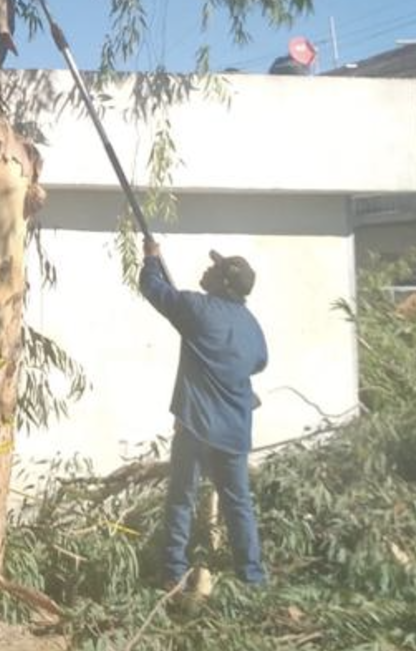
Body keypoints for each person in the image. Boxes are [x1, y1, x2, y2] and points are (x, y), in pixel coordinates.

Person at [139, 238, 270, 587]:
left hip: (196, 426)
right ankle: (252, 579)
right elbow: (258, 362)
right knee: (238, 505)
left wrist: (151, 259)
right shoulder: (252, 326)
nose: (208, 269)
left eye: (215, 269)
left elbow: (152, 288)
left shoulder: (196, 309)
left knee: (181, 499)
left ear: (224, 283)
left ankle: (172, 574)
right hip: (233, 431)